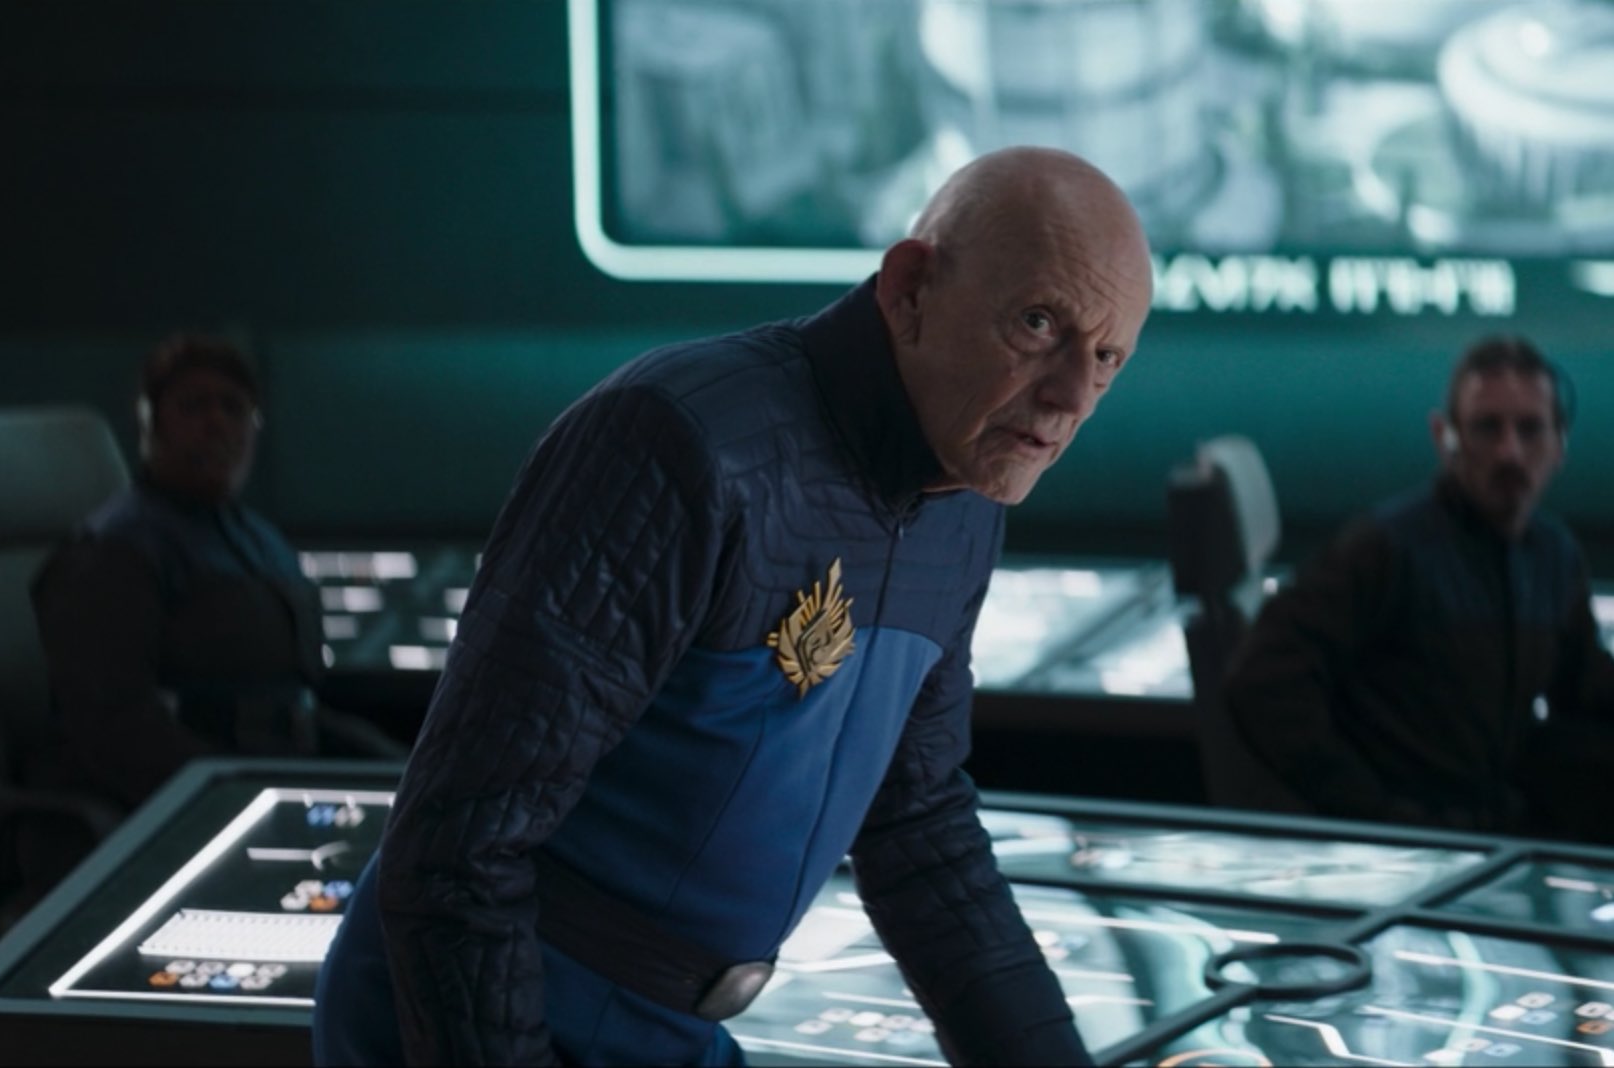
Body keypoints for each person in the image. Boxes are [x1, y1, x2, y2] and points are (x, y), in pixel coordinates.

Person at [311, 145, 1154, 1067]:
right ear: (910, 288)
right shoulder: (674, 442)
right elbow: (461, 853)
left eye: (1107, 358)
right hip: (473, 1011)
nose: (1071, 396)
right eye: (1038, 323)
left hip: (669, 1030)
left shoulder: (968, 499)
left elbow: (919, 827)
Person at [1222, 335, 1614, 839]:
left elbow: (1585, 685)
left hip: (1500, 838)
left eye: (1530, 428)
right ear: (1445, 437)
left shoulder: (1554, 556)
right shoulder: (1386, 548)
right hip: (1409, 843)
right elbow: (1263, 677)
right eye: (1487, 427)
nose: (1509, 451)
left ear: (1560, 443)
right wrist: (1365, 809)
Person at [33, 335, 407, 817]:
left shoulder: (262, 542)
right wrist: (236, 798)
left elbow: (296, 699)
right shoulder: (114, 550)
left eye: (234, 408)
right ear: (151, 424)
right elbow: (115, 727)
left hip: (267, 775)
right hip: (177, 801)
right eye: (193, 406)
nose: (217, 423)